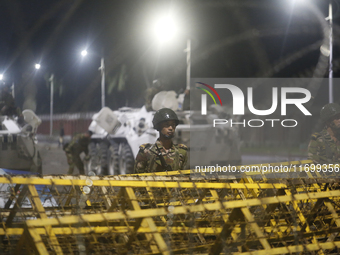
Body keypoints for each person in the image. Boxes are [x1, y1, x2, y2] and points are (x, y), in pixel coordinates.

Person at [134, 108, 188, 173]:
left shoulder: (181, 152)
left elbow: (186, 177)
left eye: (173, 125)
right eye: (167, 125)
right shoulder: (147, 151)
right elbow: (137, 177)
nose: (171, 128)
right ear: (159, 126)